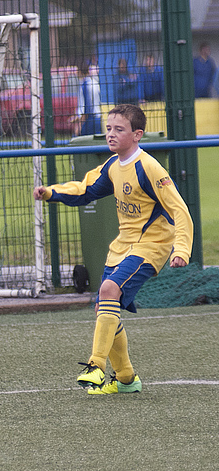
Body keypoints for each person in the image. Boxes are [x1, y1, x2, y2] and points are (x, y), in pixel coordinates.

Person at [33, 104, 193, 395]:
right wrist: (51, 193)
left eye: (119, 129)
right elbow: (86, 190)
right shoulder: (111, 166)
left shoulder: (150, 167)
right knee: (105, 308)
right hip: (122, 247)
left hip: (151, 246)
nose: (111, 134)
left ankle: (95, 365)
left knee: (108, 290)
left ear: (137, 134)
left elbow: (179, 210)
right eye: (108, 128)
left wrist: (180, 248)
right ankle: (127, 379)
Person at [70, 61, 102, 136]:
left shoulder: (85, 85)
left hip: (89, 119)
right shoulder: (95, 82)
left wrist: (80, 124)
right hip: (98, 117)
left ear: (80, 71)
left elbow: (87, 107)